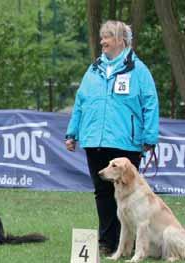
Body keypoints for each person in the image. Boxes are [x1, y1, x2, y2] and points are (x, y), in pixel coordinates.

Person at [65, 20, 159, 255]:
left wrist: (149, 136)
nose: (102, 41)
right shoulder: (93, 69)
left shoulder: (139, 70)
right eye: (101, 37)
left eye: (107, 37)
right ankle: (108, 242)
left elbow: (150, 103)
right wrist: (72, 132)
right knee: (103, 192)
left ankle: (137, 244)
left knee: (133, 194)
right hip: (95, 141)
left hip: (126, 142)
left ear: (121, 40)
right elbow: (80, 102)